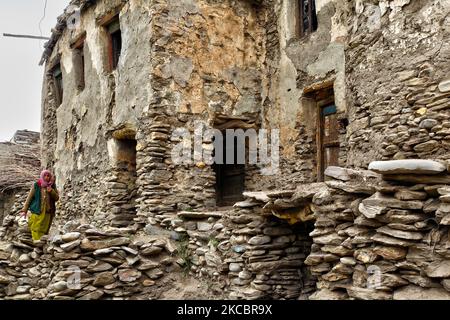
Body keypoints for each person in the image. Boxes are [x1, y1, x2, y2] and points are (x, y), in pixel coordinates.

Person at [21, 170, 59, 241]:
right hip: (38, 210)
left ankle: (41, 246)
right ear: (42, 176)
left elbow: (57, 198)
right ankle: (36, 243)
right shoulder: (36, 185)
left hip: (48, 212)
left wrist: (51, 191)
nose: (47, 177)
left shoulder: (52, 186)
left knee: (44, 229)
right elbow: (29, 198)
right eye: (45, 176)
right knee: (36, 227)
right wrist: (24, 210)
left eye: (48, 176)